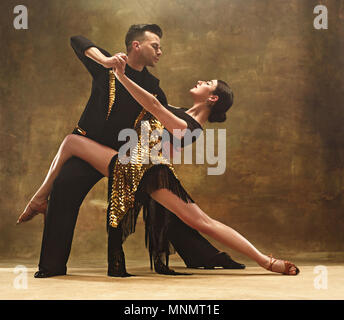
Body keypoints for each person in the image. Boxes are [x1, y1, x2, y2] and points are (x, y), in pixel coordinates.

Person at [18, 53, 300, 276]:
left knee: (203, 222)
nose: (201, 81)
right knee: (71, 142)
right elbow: (150, 110)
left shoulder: (192, 126)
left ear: (212, 98)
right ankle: (41, 198)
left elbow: (153, 105)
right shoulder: (180, 112)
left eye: (208, 83)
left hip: (146, 171)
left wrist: (121, 75)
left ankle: (266, 261)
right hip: (137, 166)